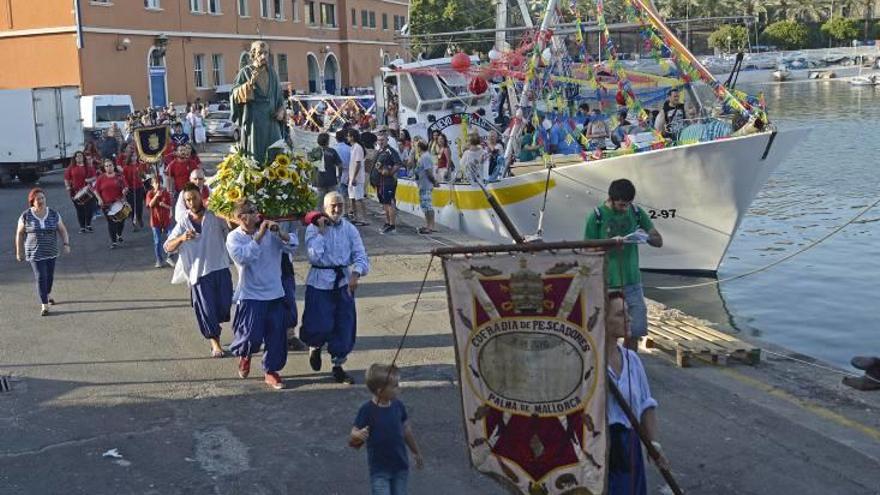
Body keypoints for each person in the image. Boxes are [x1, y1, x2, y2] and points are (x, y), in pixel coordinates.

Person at [226, 200, 299, 389]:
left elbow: (292, 246)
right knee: (250, 338)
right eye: (252, 211)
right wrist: (259, 236)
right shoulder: (234, 238)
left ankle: (271, 370)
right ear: (241, 217)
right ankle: (245, 355)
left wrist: (280, 233)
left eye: (257, 210)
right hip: (251, 295)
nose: (258, 214)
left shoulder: (271, 233)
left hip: (275, 292)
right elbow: (244, 258)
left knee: (276, 335)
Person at [584, 179, 662, 350]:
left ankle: (631, 363)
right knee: (604, 328)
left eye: (627, 205)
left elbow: (658, 240)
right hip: (607, 283)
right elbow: (587, 250)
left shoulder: (636, 212)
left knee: (634, 330)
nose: (624, 209)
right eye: (621, 205)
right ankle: (607, 365)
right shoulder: (597, 216)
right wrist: (608, 244)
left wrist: (647, 237)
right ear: (611, 199)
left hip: (632, 282)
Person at [300, 192, 370, 384]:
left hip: (342, 282)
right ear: (324, 207)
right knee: (319, 323)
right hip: (320, 281)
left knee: (344, 325)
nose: (337, 209)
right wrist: (322, 233)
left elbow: (360, 254)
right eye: (333, 206)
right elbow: (314, 256)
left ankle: (338, 365)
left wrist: (356, 274)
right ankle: (315, 346)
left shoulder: (350, 229)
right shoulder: (314, 229)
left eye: (340, 205)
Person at [606, 291, 668, 494]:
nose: (629, 318)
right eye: (620, 314)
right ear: (602, 321)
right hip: (603, 449)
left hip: (630, 445)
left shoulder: (632, 360)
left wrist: (653, 444)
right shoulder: (590, 365)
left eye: (628, 312)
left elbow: (646, 405)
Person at [165, 183, 234, 358]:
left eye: (194, 198)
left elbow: (233, 230)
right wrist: (182, 238)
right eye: (188, 200)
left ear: (201, 197)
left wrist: (228, 215)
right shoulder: (183, 222)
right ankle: (215, 343)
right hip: (198, 275)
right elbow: (168, 247)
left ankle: (215, 328)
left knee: (223, 307)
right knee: (207, 310)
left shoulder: (215, 216)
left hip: (220, 268)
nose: (192, 202)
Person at [350, 363, 424, 495]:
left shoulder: (398, 406)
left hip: (400, 467)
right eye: (395, 386)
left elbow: (406, 431)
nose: (399, 388)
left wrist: (416, 452)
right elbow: (353, 435)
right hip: (379, 471)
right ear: (380, 391)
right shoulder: (367, 410)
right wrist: (358, 434)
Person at [15, 188, 71, 316]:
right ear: (32, 202)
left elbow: (62, 230)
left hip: (51, 251)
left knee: (49, 276)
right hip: (34, 252)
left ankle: (47, 294)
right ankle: (44, 305)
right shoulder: (26, 215)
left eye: (42, 198)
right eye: (37, 199)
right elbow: (19, 233)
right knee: (41, 276)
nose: (41, 201)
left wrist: (66, 243)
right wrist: (19, 252)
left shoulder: (53, 213)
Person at [231, 40, 286, 163]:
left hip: (272, 121)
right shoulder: (245, 72)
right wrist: (249, 84)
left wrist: (281, 110)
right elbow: (234, 95)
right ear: (253, 54)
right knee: (257, 156)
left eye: (266, 53)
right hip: (255, 123)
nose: (263, 56)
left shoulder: (272, 73)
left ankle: (278, 180)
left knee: (277, 153)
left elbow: (279, 97)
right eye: (260, 53)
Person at [93, 158, 129, 248]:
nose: (109, 167)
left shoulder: (119, 176)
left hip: (119, 202)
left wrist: (125, 190)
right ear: (104, 167)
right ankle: (114, 242)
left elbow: (126, 187)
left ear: (113, 166)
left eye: (110, 165)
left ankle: (119, 234)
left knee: (121, 221)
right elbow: (95, 190)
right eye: (107, 166)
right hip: (106, 204)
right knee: (111, 222)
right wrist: (99, 199)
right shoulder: (101, 178)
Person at [63, 150, 97, 233]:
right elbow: (66, 178)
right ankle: (82, 227)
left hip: (88, 191)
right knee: (80, 210)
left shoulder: (88, 167)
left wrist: (89, 179)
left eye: (81, 156)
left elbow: (95, 177)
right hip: (75, 192)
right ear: (75, 158)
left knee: (89, 209)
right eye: (77, 156)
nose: (79, 158)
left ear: (83, 157)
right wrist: (67, 186)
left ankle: (88, 224)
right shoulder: (71, 168)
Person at [374, 134, 402, 234]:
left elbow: (398, 163)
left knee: (389, 203)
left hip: (388, 181)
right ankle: (387, 222)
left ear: (387, 140)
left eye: (382, 140)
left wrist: (390, 172)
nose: (380, 142)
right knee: (384, 203)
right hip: (381, 181)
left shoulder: (390, 151)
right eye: (379, 140)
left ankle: (392, 225)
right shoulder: (380, 151)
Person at [146, 175, 174, 268]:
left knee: (171, 237)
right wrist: (156, 196)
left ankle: (170, 256)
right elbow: (150, 205)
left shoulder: (166, 193)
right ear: (152, 184)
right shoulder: (150, 193)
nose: (158, 184)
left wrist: (164, 205)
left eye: (159, 182)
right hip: (155, 220)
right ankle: (159, 259)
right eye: (156, 183)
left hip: (166, 219)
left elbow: (170, 206)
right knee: (157, 241)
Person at [347, 130, 369, 226]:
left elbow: (358, 163)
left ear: (352, 137)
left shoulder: (358, 148)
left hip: (357, 178)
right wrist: (350, 177)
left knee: (359, 198)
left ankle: (364, 219)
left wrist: (354, 177)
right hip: (352, 176)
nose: (347, 138)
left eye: (348, 136)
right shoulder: (353, 147)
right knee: (352, 198)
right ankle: (356, 217)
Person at [414, 141, 437, 235]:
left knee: (428, 206)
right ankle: (428, 225)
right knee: (425, 206)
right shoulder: (423, 157)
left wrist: (434, 181)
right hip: (422, 184)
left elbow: (429, 172)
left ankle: (430, 226)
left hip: (426, 185)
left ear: (419, 147)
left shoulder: (425, 157)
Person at [121, 149, 147, 230]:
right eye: (132, 156)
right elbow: (124, 178)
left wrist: (142, 176)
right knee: (132, 207)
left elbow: (143, 176)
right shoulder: (126, 167)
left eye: (135, 156)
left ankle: (139, 218)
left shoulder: (139, 166)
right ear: (130, 157)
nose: (134, 158)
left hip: (139, 188)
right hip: (130, 189)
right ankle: (134, 222)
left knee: (139, 205)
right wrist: (127, 186)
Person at [315, 132, 342, 208]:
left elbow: (310, 166)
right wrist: (339, 176)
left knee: (319, 203)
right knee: (333, 201)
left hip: (319, 180)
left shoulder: (314, 151)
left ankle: (318, 217)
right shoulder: (332, 151)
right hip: (331, 180)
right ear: (327, 141)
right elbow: (340, 165)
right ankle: (332, 217)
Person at [334, 129, 352, 216]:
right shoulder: (349, 148)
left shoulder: (334, 149)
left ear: (336, 138)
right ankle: (348, 211)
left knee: (341, 194)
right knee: (348, 195)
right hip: (349, 172)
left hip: (338, 173)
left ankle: (343, 212)